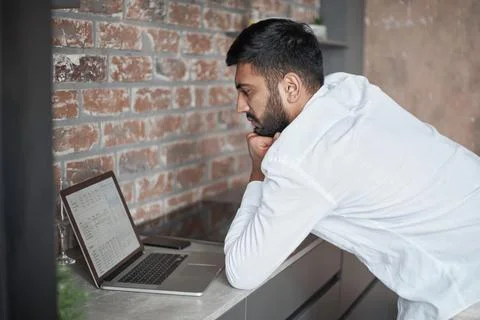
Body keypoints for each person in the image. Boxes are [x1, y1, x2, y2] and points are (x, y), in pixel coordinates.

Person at [223, 18, 480, 320]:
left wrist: (258, 170)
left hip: (465, 290)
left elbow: (241, 271)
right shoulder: (346, 88)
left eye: (247, 91)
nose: (240, 106)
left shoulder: (303, 158)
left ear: (291, 87)